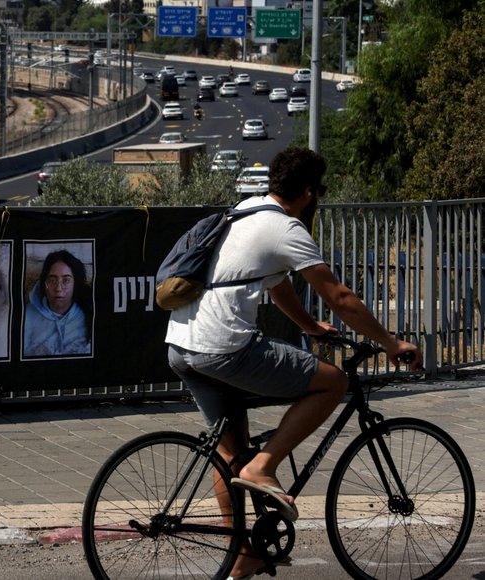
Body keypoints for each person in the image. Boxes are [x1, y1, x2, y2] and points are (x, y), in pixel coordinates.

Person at [164, 147, 422, 579]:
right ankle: (265, 466)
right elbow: (339, 296)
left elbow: (279, 285)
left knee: (229, 455)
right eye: (318, 191)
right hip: (225, 347)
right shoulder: (286, 228)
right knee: (333, 383)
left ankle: (243, 553)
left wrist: (310, 327)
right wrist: (391, 342)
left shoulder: (245, 211)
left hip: (182, 346)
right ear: (307, 193)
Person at [23, 249, 93, 357]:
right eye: (52, 280)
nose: (58, 288)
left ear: (75, 284)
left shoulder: (89, 314)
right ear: (44, 284)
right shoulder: (26, 316)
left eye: (66, 280)